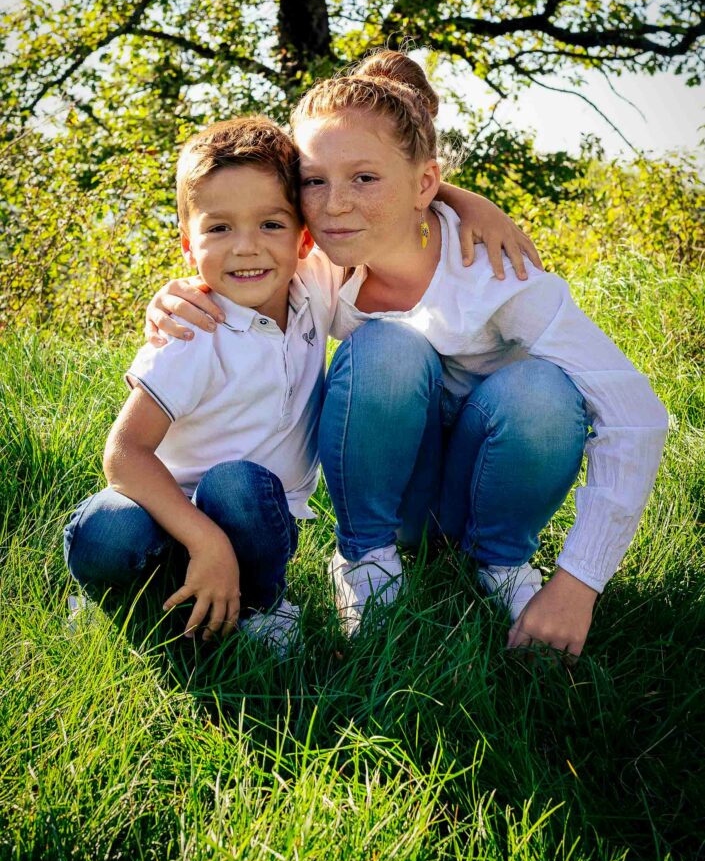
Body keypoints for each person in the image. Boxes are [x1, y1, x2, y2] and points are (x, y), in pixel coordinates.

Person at [144, 51, 669, 658]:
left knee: (542, 390)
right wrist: (178, 293)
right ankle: (366, 559)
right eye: (315, 181)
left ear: (425, 183)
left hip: (488, 484)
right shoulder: (318, 271)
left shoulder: (497, 274)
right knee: (386, 344)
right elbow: (237, 256)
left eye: (364, 179)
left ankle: (498, 563)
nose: (335, 204)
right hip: (396, 498)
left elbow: (637, 415)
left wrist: (579, 581)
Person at [63, 116, 341, 652]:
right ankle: (119, 602)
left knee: (236, 483)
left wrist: (471, 204)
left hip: (256, 516)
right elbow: (124, 453)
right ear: (188, 247)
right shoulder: (193, 328)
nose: (246, 248)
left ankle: (261, 605)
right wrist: (204, 539)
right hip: (163, 511)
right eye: (219, 228)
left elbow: (392, 192)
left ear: (304, 237)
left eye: (271, 224)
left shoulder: (317, 290)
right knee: (107, 532)